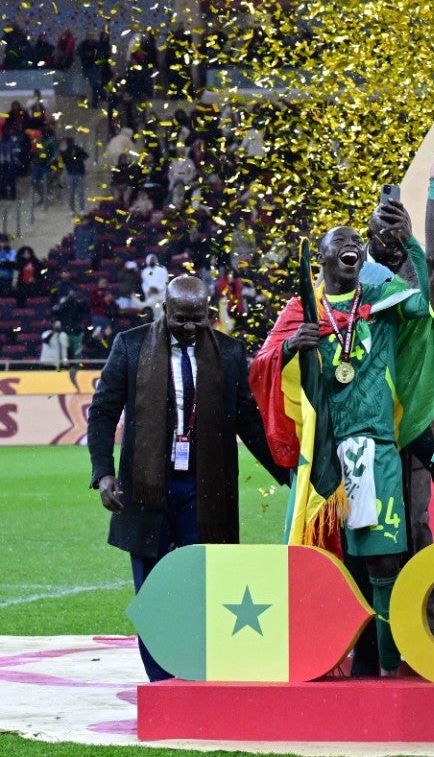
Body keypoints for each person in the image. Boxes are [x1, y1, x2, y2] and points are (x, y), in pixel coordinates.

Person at [88, 276, 288, 681]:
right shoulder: (130, 346)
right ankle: (161, 680)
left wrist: (286, 472)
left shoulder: (230, 353)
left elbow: (248, 421)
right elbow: (104, 411)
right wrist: (104, 472)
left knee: (205, 584)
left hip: (206, 489)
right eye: (181, 319)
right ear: (164, 310)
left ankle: (198, 670)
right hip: (146, 489)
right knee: (154, 590)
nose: (190, 328)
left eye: (198, 320)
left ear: (209, 314)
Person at [270, 207, 434, 675]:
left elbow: (420, 306)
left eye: (356, 242)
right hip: (324, 456)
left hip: (377, 448)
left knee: (384, 558)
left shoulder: (381, 299)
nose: (350, 244)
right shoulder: (300, 310)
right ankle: (325, 655)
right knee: (331, 559)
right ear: (320, 258)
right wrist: (288, 349)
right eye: (338, 241)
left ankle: (387, 663)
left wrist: (409, 246)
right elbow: (263, 364)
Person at [63, 137, 88, 214]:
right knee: (73, 193)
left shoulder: (77, 150)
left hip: (78, 173)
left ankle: (79, 209)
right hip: (72, 173)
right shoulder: (66, 152)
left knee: (78, 192)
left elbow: (85, 156)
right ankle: (74, 209)